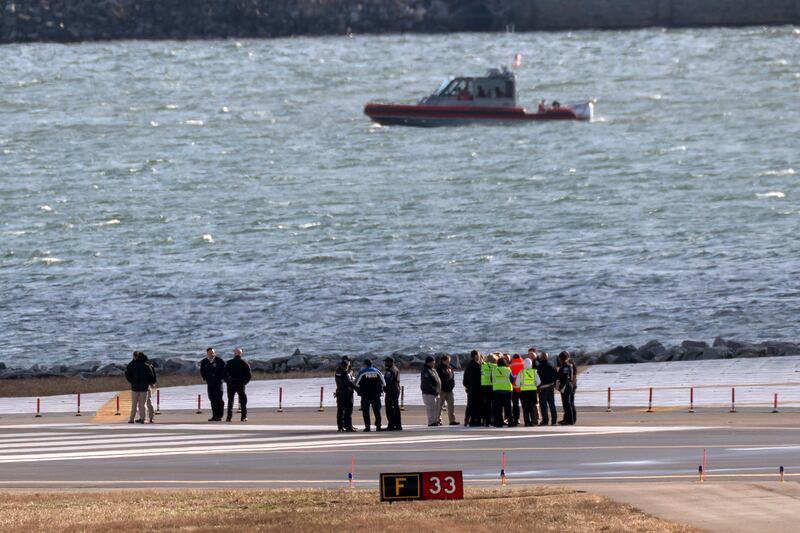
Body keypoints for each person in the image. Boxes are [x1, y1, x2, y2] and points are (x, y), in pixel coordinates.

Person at [355, 359, 385, 432]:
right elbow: (384, 383)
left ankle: (367, 427)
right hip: (376, 394)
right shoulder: (377, 371)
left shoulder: (362, 372)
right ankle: (378, 426)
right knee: (377, 411)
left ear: (365, 364)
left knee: (365, 411)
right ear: (372, 364)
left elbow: (356, 383)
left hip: (365, 395)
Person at [224, 347, 251, 422]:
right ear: (241, 354)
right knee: (243, 401)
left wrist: (227, 381)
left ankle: (229, 417)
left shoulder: (229, 362)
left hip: (231, 383)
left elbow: (224, 374)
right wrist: (244, 382)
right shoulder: (244, 362)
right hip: (240, 384)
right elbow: (248, 375)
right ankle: (243, 417)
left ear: (234, 353)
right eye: (239, 352)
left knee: (230, 400)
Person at [125, 351, 153, 424]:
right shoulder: (146, 365)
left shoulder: (131, 365)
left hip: (135, 387)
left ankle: (131, 419)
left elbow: (127, 375)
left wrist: (131, 381)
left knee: (134, 404)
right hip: (144, 387)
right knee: (142, 405)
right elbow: (151, 376)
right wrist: (150, 383)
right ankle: (143, 419)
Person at [200, 347, 226, 422]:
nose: (211, 354)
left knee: (219, 399)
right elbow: (202, 371)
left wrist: (221, 378)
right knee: (212, 399)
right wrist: (205, 378)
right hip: (210, 383)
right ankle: (214, 416)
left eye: (213, 352)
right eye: (210, 352)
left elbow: (224, 370)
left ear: (215, 353)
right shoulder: (204, 361)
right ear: (207, 353)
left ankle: (219, 416)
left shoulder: (219, 361)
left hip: (218, 383)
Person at [334, 356, 358, 432]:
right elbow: (349, 382)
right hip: (347, 393)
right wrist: (357, 389)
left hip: (339, 392)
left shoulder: (337, 371)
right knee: (348, 411)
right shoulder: (345, 372)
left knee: (340, 411)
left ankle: (340, 427)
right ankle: (348, 426)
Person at [536, 350, 558, 426]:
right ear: (547, 357)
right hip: (551, 387)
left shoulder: (539, 367)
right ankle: (554, 420)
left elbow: (537, 378)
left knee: (543, 405)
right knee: (552, 404)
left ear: (541, 358)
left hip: (543, 388)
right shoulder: (552, 366)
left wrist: (538, 387)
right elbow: (556, 376)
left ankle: (545, 421)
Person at [462, 350, 483, 427]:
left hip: (470, 389)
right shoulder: (477, 366)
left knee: (470, 405)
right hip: (476, 389)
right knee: (476, 405)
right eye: (479, 355)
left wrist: (467, 387)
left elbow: (464, 379)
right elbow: (480, 379)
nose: (480, 356)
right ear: (475, 356)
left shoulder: (468, 366)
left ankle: (467, 419)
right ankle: (474, 420)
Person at [436, 355, 458, 425]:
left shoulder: (450, 367)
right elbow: (440, 379)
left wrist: (452, 385)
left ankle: (452, 420)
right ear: (443, 361)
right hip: (442, 390)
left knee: (451, 405)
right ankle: (438, 420)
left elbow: (452, 377)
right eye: (447, 360)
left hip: (450, 390)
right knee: (440, 406)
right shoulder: (439, 368)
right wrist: (447, 374)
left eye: (449, 360)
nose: (449, 361)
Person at [420, 356, 442, 426]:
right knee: (430, 408)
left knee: (436, 408)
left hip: (435, 392)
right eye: (433, 362)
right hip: (429, 393)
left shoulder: (433, 370)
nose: (434, 364)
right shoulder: (426, 371)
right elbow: (427, 384)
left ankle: (435, 421)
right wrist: (434, 390)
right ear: (428, 363)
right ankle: (431, 422)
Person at [519, 357, 540, 426]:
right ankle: (533, 421)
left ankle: (526, 422)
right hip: (533, 392)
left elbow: (516, 383)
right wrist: (533, 385)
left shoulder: (521, 373)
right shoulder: (534, 372)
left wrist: (522, 384)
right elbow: (539, 382)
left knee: (525, 408)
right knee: (532, 407)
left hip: (524, 392)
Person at [491, 358, 513, 427]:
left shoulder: (494, 370)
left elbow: (491, 379)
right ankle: (510, 422)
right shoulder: (508, 370)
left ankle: (498, 423)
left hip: (497, 391)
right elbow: (512, 379)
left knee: (498, 408)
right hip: (507, 391)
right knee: (508, 408)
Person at [383, 356, 402, 431]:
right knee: (395, 408)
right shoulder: (396, 369)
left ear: (390, 362)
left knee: (389, 408)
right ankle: (397, 425)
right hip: (396, 389)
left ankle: (391, 425)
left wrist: (384, 388)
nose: (385, 363)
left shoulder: (390, 370)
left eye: (386, 362)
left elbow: (388, 381)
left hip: (391, 390)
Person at [556, 351, 575, 425]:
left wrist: (561, 387)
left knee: (567, 403)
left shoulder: (566, 366)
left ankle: (570, 420)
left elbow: (565, 378)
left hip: (566, 386)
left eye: (560, 358)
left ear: (562, 358)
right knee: (565, 403)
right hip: (567, 385)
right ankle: (566, 419)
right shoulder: (565, 365)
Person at [138, 352, 157, 423]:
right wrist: (153, 383)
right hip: (148, 385)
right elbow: (153, 375)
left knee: (141, 403)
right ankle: (151, 417)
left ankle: (142, 417)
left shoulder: (140, 366)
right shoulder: (150, 365)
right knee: (148, 402)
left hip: (141, 386)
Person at [509, 353, 525, 426]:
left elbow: (511, 378)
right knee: (524, 404)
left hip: (515, 388)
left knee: (515, 405)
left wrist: (513, 384)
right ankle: (526, 419)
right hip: (523, 388)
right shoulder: (523, 364)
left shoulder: (511, 366)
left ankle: (516, 420)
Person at [480, 353, 496, 426]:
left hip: (484, 386)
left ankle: (486, 421)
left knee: (486, 405)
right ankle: (493, 420)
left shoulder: (483, 366)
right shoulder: (495, 366)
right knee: (494, 405)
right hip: (492, 386)